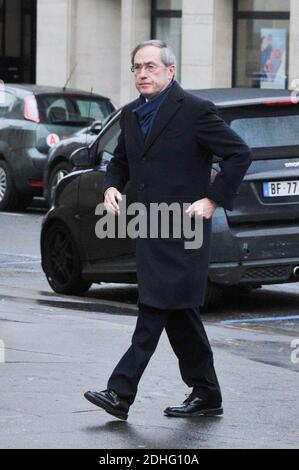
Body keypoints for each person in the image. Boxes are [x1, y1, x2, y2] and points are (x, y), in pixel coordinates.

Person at [84, 40, 252, 421]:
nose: (142, 74)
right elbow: (120, 161)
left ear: (170, 71)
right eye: (137, 68)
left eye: (150, 67)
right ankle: (207, 393)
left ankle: (120, 392)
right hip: (149, 226)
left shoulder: (195, 111)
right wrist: (112, 186)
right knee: (179, 314)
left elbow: (240, 154)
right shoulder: (130, 114)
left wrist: (212, 200)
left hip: (184, 229)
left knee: (154, 308)